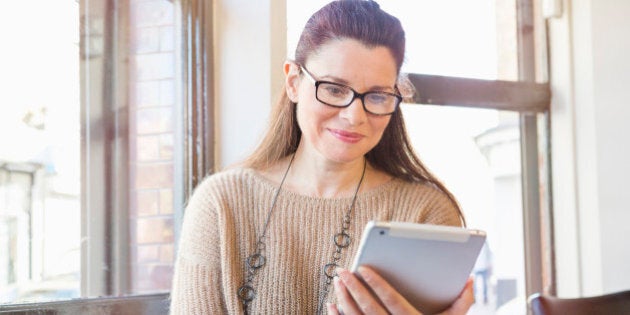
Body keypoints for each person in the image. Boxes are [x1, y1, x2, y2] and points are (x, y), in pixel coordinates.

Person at [169, 1, 474, 314]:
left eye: (378, 96)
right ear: (293, 82)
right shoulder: (221, 205)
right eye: (334, 89)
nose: (354, 116)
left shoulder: (425, 214)